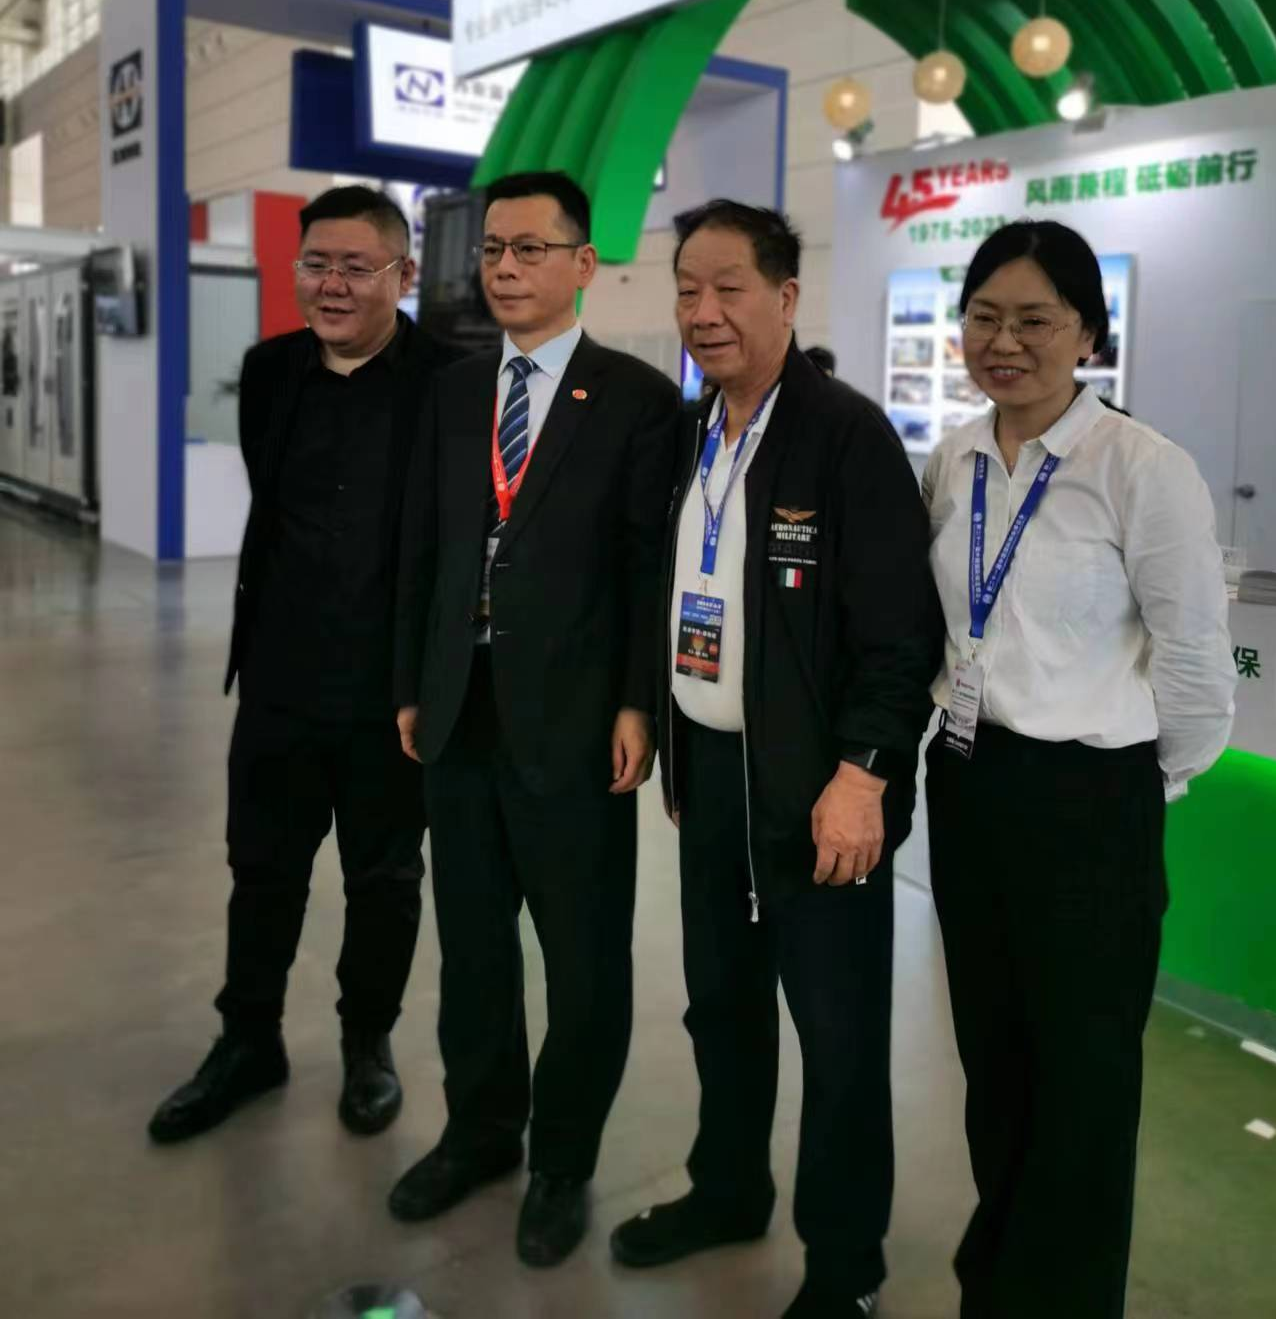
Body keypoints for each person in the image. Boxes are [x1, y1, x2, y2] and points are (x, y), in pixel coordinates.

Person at [611, 201, 943, 1319]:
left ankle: (844, 1267)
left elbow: (900, 637)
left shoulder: (846, 437)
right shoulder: (686, 434)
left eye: (728, 288)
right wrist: (658, 721)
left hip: (819, 799)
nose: (702, 311)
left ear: (786, 297)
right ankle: (727, 1189)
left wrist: (862, 774)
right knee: (722, 1007)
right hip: (710, 778)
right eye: (686, 290)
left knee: (838, 1040)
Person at [920, 220, 1236, 1319]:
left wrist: (1135, 784)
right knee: (994, 1060)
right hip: (969, 783)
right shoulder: (954, 457)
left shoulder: (1141, 468)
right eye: (983, 317)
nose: (1003, 342)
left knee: (1085, 1083)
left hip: (1092, 802)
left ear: (1088, 334)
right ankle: (997, 1278)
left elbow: (1194, 663)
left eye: (1034, 320)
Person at [391, 171, 679, 1268]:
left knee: (582, 956)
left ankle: (561, 1158)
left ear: (581, 263)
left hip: (574, 721)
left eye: (528, 249)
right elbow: (426, 545)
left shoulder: (634, 396)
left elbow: (646, 565)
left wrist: (637, 701)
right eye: (493, 250)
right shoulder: (456, 391)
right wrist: (412, 682)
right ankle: (479, 1130)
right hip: (459, 713)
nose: (504, 268)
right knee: (472, 948)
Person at [149, 187, 454, 1147]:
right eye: (315, 264)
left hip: (389, 698)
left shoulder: (450, 383)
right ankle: (248, 1041)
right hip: (279, 681)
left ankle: (368, 1043)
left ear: (404, 275)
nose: (332, 284)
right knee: (262, 871)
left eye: (357, 267)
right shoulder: (270, 370)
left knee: (384, 880)